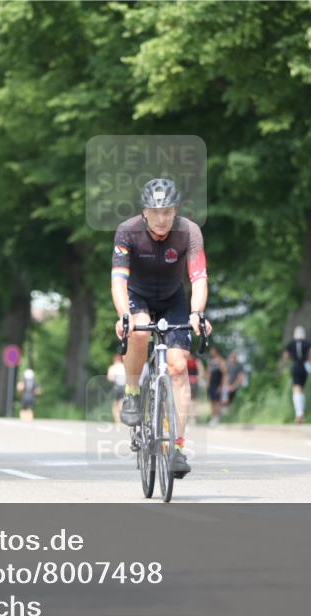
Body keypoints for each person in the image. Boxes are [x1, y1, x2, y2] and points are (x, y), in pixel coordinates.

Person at [111, 178, 212, 478]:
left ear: (176, 211)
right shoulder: (127, 231)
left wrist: (197, 313)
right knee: (140, 331)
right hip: (137, 296)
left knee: (179, 366)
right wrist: (123, 315)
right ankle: (132, 393)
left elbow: (199, 278)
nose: (162, 219)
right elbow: (118, 280)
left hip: (173, 299)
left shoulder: (189, 232)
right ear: (144, 212)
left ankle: (178, 447)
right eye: (155, 212)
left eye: (168, 212)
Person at [283, 326, 311, 424]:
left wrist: (289, 361)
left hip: (296, 366)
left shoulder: (291, 344)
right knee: (302, 389)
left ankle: (299, 413)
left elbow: (286, 355)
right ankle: (301, 413)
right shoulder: (307, 343)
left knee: (296, 389)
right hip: (305, 367)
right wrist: (309, 360)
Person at [206, 347, 226, 425]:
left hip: (218, 383)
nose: (211, 353)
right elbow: (209, 374)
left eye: (212, 351)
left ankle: (217, 417)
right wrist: (207, 383)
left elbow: (224, 374)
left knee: (217, 401)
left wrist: (221, 386)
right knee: (212, 401)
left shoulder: (221, 361)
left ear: (216, 352)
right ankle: (213, 417)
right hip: (212, 384)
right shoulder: (211, 362)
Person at [106, 354, 127, 422]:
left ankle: (117, 420)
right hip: (124, 386)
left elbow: (110, 378)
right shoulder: (124, 367)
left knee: (115, 404)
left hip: (116, 386)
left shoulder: (113, 367)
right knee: (121, 403)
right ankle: (122, 418)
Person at [186, 354, 204, 424]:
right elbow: (201, 371)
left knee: (190, 400)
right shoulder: (196, 361)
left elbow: (201, 371)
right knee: (192, 400)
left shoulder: (186, 360)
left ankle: (191, 417)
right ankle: (192, 417)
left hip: (189, 381)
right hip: (193, 381)